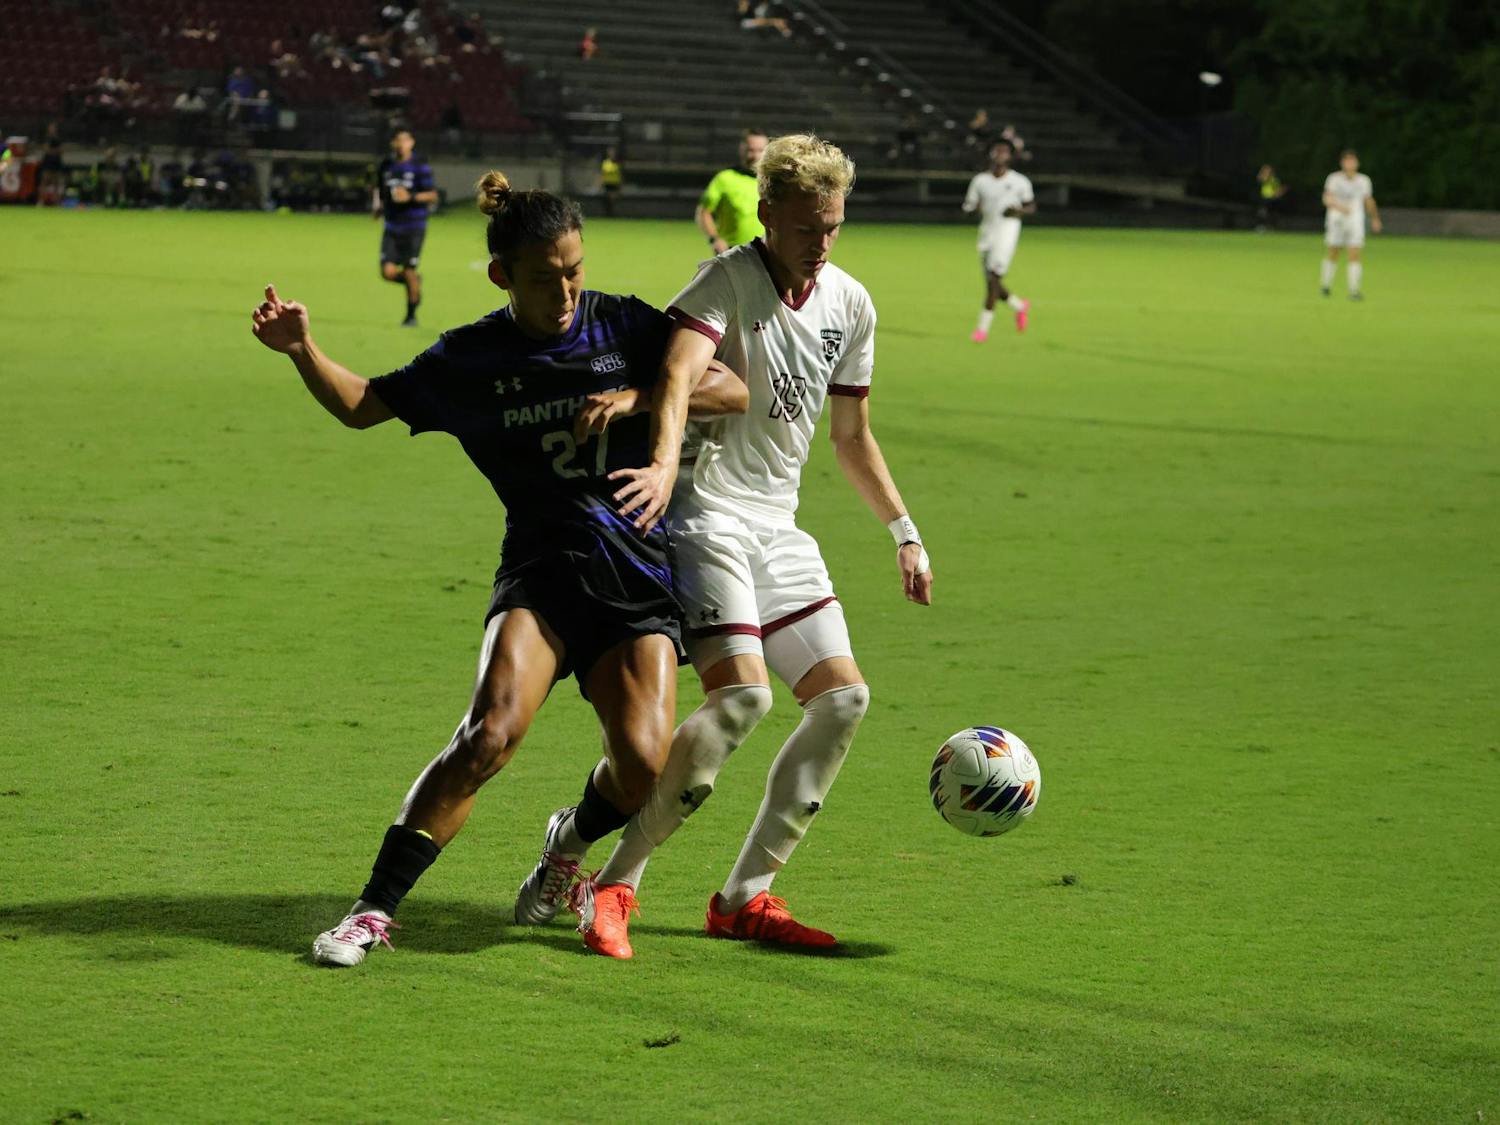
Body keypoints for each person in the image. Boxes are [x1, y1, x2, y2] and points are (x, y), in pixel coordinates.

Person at [250, 171, 748, 968]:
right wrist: (302, 347)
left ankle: (566, 847)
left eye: (575, 269)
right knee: (487, 734)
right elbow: (362, 404)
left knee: (644, 764)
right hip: (542, 571)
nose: (566, 289)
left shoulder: (623, 325)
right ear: (501, 275)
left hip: (636, 579)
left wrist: (633, 397)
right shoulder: (472, 358)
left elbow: (728, 385)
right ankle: (371, 911)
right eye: (548, 275)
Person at [548, 133, 934, 960]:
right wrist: (657, 461)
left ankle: (745, 895)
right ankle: (616, 883)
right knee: (743, 701)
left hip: (778, 524)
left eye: (833, 225)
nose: (821, 243)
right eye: (806, 227)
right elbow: (684, 372)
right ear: (767, 215)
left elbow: (852, 437)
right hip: (706, 514)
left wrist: (903, 531)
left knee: (842, 701)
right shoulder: (725, 281)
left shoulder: (851, 304)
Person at [962, 137, 1035, 340]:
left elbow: (1031, 206)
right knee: (992, 283)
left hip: (1008, 231)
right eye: (997, 150)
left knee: (994, 278)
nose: (1000, 154)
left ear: (1011, 156)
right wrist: (973, 210)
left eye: (1005, 151)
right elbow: (967, 207)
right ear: (990, 154)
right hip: (987, 232)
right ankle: (1020, 306)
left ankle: (982, 330)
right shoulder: (980, 181)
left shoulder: (1020, 181)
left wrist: (1018, 211)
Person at [373, 129, 438, 326]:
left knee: (409, 270)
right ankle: (414, 282)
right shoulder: (387, 165)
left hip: (414, 225)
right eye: (398, 140)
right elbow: (380, 188)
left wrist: (410, 197)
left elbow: (432, 195)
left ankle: (410, 316)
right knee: (387, 273)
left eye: (405, 140)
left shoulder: (419, 167)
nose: (401, 144)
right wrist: (379, 206)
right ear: (393, 143)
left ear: (412, 142)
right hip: (392, 225)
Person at [1320, 149, 1381, 300]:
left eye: (1352, 161)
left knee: (1355, 252)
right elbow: (1327, 199)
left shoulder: (1363, 181)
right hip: (1336, 219)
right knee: (1334, 251)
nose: (1350, 164)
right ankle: (1326, 285)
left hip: (1355, 220)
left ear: (1357, 163)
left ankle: (1354, 290)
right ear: (1342, 163)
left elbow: (1368, 200)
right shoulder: (1333, 179)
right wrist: (1340, 208)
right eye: (1347, 161)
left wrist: (1374, 218)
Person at [696, 128, 767, 255]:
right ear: (742, 150)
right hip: (732, 253)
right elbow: (704, 213)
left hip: (767, 254)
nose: (755, 156)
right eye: (750, 150)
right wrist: (714, 239)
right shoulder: (725, 179)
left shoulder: (774, 181)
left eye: (760, 150)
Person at [1255, 163, 1286, 232]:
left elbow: (1278, 189)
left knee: (1272, 214)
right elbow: (1260, 179)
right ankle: (1261, 226)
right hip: (1264, 198)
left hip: (1272, 198)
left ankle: (1270, 227)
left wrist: (1279, 193)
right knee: (1262, 212)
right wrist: (1263, 171)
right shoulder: (1265, 178)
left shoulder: (1274, 179)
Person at [599, 146, 623, 217]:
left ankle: (612, 212)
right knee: (609, 198)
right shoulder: (605, 163)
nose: (611, 153)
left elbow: (620, 174)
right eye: (610, 152)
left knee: (614, 198)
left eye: (612, 152)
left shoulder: (618, 163)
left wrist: (621, 184)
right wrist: (600, 183)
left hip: (615, 183)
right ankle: (609, 213)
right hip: (608, 183)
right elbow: (602, 174)